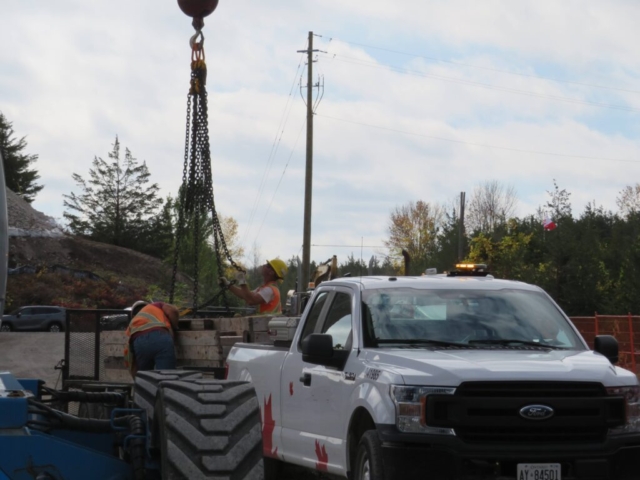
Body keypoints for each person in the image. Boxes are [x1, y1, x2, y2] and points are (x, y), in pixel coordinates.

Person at [123, 300, 180, 377]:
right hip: (160, 337)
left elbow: (130, 359)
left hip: (139, 343)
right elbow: (173, 311)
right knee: (167, 377)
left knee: (146, 380)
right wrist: (175, 327)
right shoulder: (156, 305)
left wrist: (138, 381)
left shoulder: (132, 325)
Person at [220, 258, 288, 315]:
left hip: (266, 327)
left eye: (267, 265)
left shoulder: (270, 290)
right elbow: (245, 295)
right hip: (264, 325)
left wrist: (242, 282)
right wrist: (228, 285)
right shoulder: (265, 288)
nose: (264, 265)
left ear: (271, 272)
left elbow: (251, 300)